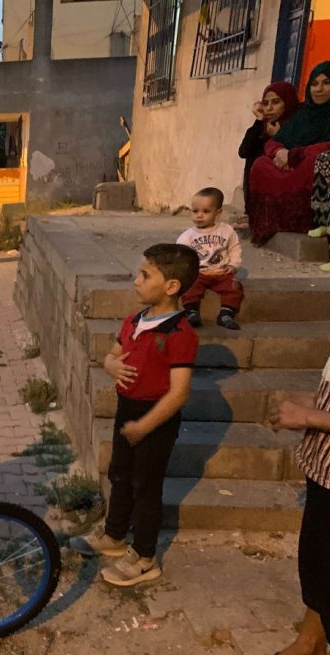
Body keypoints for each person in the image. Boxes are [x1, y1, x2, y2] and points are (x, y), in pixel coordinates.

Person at [70, 244, 200, 586]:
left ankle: (144, 557)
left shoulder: (180, 334)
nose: (136, 281)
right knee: (120, 474)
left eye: (145, 275)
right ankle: (114, 535)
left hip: (155, 419)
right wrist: (111, 365)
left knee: (146, 487)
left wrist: (145, 426)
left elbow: (180, 392)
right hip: (127, 410)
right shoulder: (134, 321)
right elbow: (112, 355)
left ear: (171, 286)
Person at [259, 246, 330, 655]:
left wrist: (309, 417)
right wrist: (312, 402)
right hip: (327, 468)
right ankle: (311, 645)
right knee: (315, 564)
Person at [249, 61, 330, 245]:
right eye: (314, 83)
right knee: (260, 164)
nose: (319, 89)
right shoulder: (304, 113)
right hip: (292, 162)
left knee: (316, 161)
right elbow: (274, 142)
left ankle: (308, 221)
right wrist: (280, 151)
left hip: (316, 163)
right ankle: (272, 222)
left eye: (327, 83)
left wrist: (294, 155)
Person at [177, 187, 244, 330]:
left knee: (235, 287)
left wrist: (233, 265)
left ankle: (226, 314)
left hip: (222, 272)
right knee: (189, 286)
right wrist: (188, 270)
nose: (199, 215)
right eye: (195, 211)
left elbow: (235, 248)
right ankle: (191, 312)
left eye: (206, 211)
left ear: (218, 213)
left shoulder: (227, 231)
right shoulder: (187, 236)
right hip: (199, 273)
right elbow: (182, 256)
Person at [238, 82, 300, 225]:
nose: (269, 108)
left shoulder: (298, 125)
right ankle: (254, 211)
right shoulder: (263, 126)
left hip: (286, 194)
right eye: (265, 104)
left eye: (276, 102)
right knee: (254, 155)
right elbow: (243, 151)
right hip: (263, 198)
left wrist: (278, 136)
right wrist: (259, 120)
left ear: (287, 103)